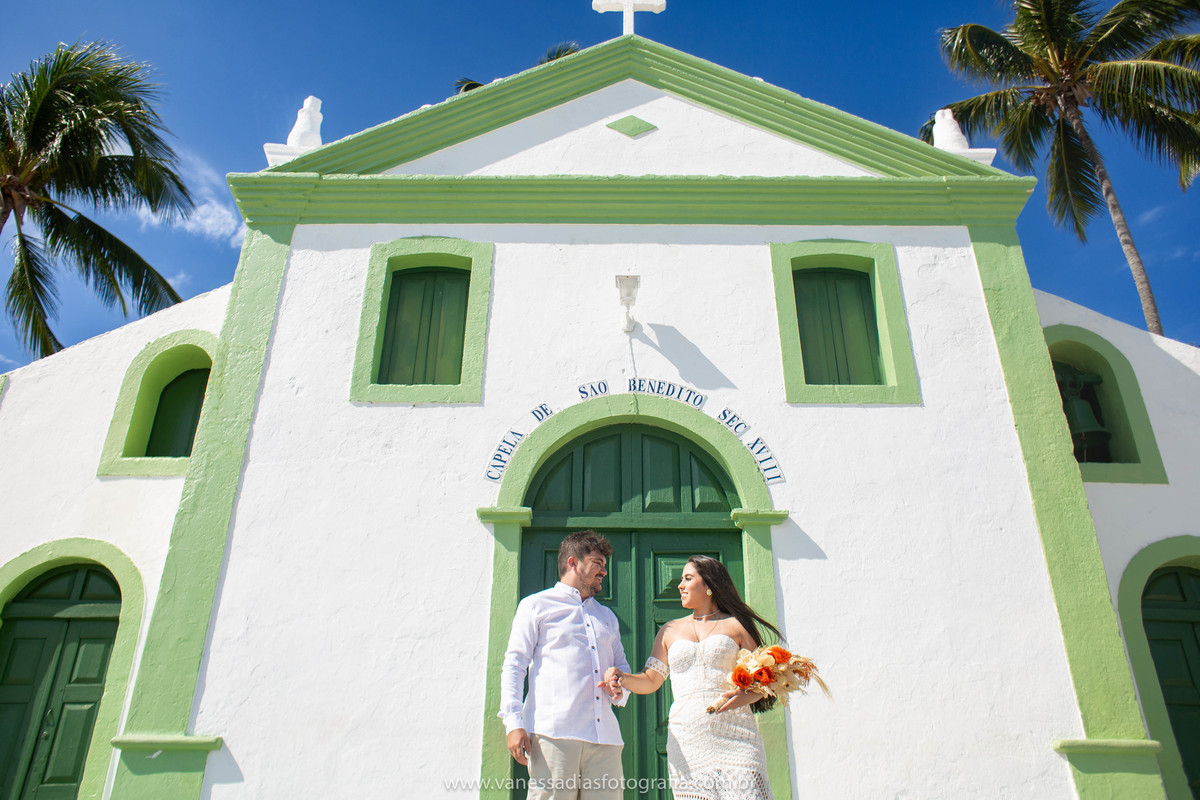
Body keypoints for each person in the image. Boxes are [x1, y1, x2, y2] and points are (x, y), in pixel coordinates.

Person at [602, 555, 779, 800]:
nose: (680, 585)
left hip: (737, 735)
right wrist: (622, 677)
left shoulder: (737, 626)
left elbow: (766, 679)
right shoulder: (669, 630)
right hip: (688, 738)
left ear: (708, 585)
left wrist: (746, 695)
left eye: (687, 578)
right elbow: (651, 680)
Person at [499, 530, 630, 800]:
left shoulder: (607, 617)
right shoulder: (536, 606)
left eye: (604, 565)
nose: (604, 571)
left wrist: (620, 688)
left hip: (605, 739)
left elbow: (623, 671)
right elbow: (514, 664)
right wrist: (514, 723)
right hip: (554, 736)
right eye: (597, 563)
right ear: (573, 562)